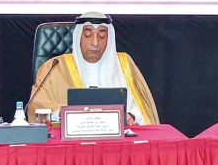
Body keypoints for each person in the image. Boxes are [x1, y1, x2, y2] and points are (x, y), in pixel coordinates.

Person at [26, 11, 160, 125]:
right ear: (79, 37)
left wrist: (132, 116)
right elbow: (36, 106)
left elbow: (144, 108)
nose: (95, 43)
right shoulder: (55, 67)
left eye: (102, 36)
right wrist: (62, 113)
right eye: (88, 35)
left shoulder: (124, 63)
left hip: (119, 143)